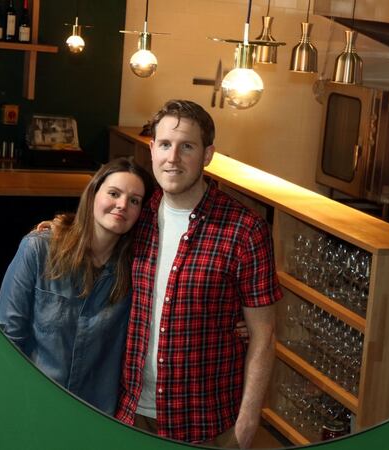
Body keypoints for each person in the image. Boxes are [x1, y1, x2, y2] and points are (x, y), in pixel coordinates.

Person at [114, 100, 282, 448]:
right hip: (131, 413)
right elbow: (92, 238)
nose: (172, 158)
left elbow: (263, 336)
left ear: (208, 155)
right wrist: (56, 228)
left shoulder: (245, 230)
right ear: (152, 149)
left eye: (186, 146)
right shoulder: (136, 215)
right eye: (164, 145)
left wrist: (248, 422)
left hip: (206, 425)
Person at [0, 157, 153, 415]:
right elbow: (7, 336)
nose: (122, 205)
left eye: (134, 201)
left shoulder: (138, 271)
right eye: (114, 193)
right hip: (31, 405)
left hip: (95, 416)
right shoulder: (39, 249)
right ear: (93, 194)